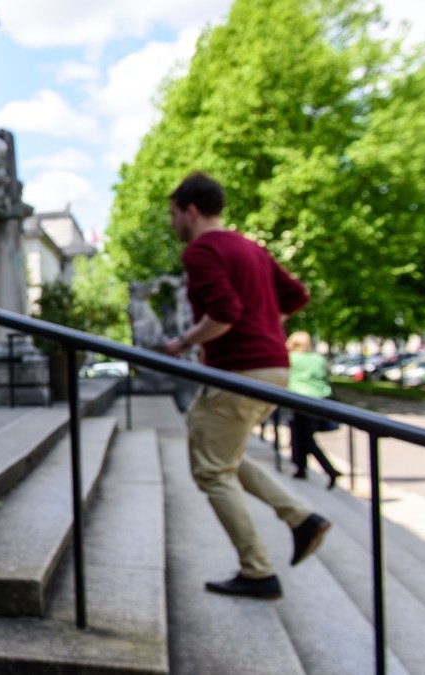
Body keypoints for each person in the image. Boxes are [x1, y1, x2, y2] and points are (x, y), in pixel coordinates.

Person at [162, 172, 330, 600]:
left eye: (174, 214)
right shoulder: (250, 247)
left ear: (191, 211)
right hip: (273, 368)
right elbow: (295, 295)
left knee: (212, 469)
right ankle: (301, 519)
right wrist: (267, 327)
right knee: (222, 455)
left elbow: (225, 313)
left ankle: (257, 570)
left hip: (239, 371)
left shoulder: (202, 251)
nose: (172, 224)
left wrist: (181, 342)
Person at [286, 331, 342, 489]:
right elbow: (325, 377)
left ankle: (329, 469)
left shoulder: (291, 358)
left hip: (299, 400)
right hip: (319, 400)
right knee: (301, 435)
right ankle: (301, 469)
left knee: (305, 438)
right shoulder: (318, 358)